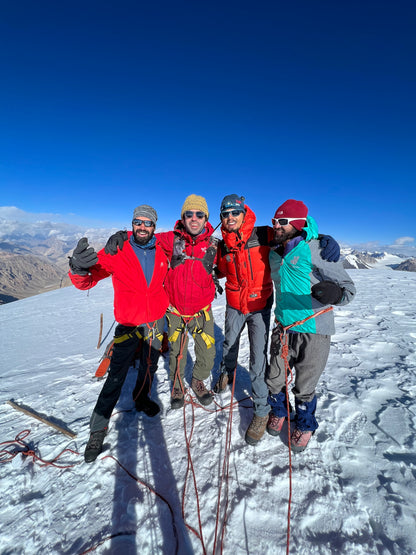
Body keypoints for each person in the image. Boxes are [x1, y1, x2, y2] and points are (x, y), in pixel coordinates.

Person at [214, 194, 340, 446]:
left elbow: (296, 232)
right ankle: (228, 372)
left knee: (259, 359)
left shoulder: (264, 234)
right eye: (225, 214)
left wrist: (323, 236)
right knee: (229, 345)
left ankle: (263, 411)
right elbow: (221, 269)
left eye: (234, 213)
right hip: (235, 305)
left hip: (261, 307)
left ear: (243, 213)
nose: (230, 218)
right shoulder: (222, 245)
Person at [68, 205, 169, 463]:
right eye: (138, 222)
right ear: (132, 224)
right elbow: (89, 278)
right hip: (128, 325)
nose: (142, 227)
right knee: (115, 378)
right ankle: (98, 429)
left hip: (155, 323)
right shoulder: (119, 248)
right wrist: (78, 268)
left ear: (154, 226)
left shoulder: (163, 250)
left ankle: (141, 398)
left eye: (148, 223)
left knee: (148, 367)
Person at [105, 195, 219, 409]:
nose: (194, 218)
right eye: (189, 214)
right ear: (182, 218)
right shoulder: (170, 239)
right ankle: (177, 386)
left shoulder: (214, 245)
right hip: (175, 311)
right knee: (177, 351)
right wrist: (123, 235)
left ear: (206, 218)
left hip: (202, 311)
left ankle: (198, 381)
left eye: (199, 214)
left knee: (207, 350)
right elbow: (145, 236)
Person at [265, 199, 355, 452]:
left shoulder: (318, 250)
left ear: (297, 223)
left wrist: (335, 294)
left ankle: (304, 424)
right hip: (283, 327)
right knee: (274, 379)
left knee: (305, 386)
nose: (276, 226)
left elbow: (349, 290)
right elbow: (246, 228)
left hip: (314, 330)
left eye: (282, 222)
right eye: (274, 221)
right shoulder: (274, 249)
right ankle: (280, 412)